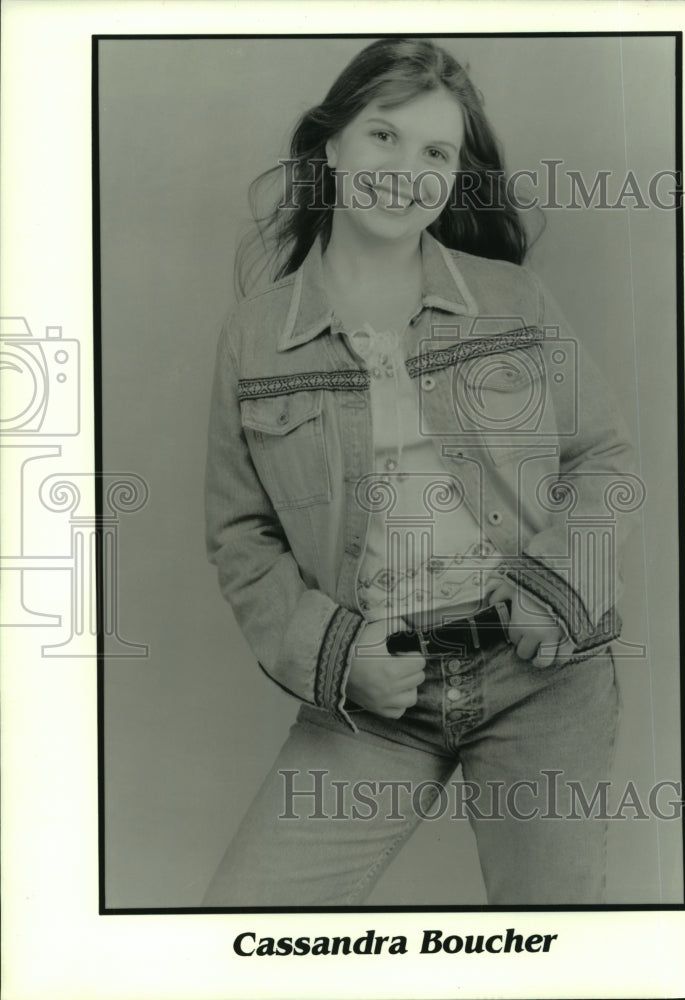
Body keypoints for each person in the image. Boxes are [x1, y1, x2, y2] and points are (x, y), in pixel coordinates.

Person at [203, 37, 636, 906]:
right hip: (373, 687)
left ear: (454, 173)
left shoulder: (512, 300)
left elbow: (601, 457)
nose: (406, 169)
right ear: (330, 145)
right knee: (241, 929)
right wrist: (335, 655)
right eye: (383, 136)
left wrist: (560, 582)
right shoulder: (255, 335)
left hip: (538, 673)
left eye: (435, 151)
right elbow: (239, 533)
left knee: (557, 949)